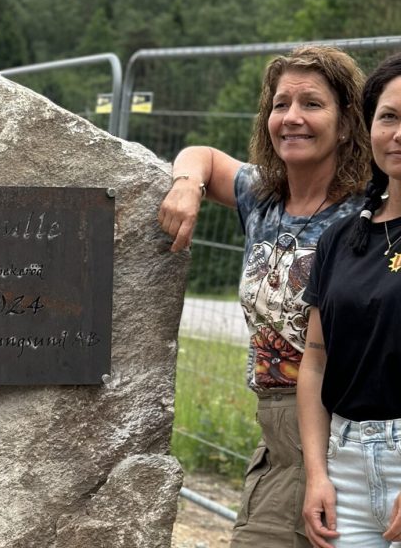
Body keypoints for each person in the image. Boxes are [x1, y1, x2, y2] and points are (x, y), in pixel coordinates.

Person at [158, 45, 371, 547]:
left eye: (312, 104)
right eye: (280, 104)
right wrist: (186, 183)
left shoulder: (370, 214)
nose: (291, 118)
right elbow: (204, 156)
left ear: (345, 124)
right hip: (277, 434)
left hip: (347, 433)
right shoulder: (263, 198)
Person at [299, 53, 401, 548]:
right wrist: (317, 475)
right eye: (390, 117)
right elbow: (315, 362)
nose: (399, 133)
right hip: (345, 470)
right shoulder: (339, 239)